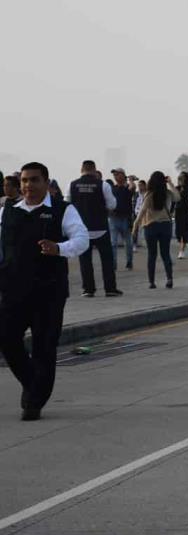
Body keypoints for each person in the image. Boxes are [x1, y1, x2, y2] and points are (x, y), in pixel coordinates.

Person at [0, 162, 89, 420]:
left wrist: (59, 248)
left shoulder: (63, 210)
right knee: (7, 339)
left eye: (34, 180)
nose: (29, 185)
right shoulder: (8, 212)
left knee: (44, 347)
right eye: (25, 180)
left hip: (48, 292)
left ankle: (33, 402)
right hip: (13, 290)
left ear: (47, 182)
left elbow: (81, 240)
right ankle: (33, 383)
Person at [69, 160, 119, 298]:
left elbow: (68, 205)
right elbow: (112, 204)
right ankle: (110, 288)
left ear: (82, 169)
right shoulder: (103, 185)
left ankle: (88, 289)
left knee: (85, 261)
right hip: (101, 227)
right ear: (94, 170)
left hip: (81, 230)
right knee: (106, 260)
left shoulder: (72, 185)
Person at [132, 171, 179, 289]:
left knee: (152, 255)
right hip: (165, 226)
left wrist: (135, 226)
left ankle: (151, 282)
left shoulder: (149, 194)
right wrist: (171, 183)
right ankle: (169, 279)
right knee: (165, 254)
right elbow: (178, 197)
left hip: (151, 226)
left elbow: (142, 211)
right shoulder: (167, 193)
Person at [108, 169, 135, 271]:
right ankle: (113, 265)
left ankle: (129, 262)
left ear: (123, 176)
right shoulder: (112, 188)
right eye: (114, 174)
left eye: (118, 174)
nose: (115, 176)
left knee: (128, 243)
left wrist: (131, 180)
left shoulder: (128, 187)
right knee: (113, 243)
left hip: (125, 218)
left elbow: (133, 188)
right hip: (114, 218)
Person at [174, 173, 188, 260]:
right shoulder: (177, 188)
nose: (180, 179)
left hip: (187, 212)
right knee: (178, 232)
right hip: (178, 211)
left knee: (184, 231)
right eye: (179, 178)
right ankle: (183, 243)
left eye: (182, 178)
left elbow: (184, 196)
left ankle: (182, 250)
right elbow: (174, 199)